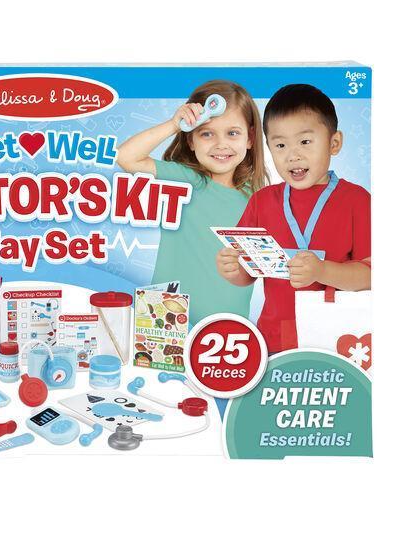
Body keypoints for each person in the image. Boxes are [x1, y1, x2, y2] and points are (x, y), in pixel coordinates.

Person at [217, 84, 371, 353]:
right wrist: (234, 269)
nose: (293, 155)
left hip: (337, 340)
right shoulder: (262, 201)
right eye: (280, 145)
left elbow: (371, 275)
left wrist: (322, 271)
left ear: (334, 143)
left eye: (305, 142)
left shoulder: (357, 200)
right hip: (273, 339)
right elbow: (248, 272)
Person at [117, 80, 268, 324]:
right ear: (190, 140)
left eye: (232, 133)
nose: (221, 144)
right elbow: (126, 157)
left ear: (250, 138)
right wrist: (174, 124)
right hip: (164, 320)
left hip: (227, 324)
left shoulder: (258, 197)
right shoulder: (184, 180)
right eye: (207, 133)